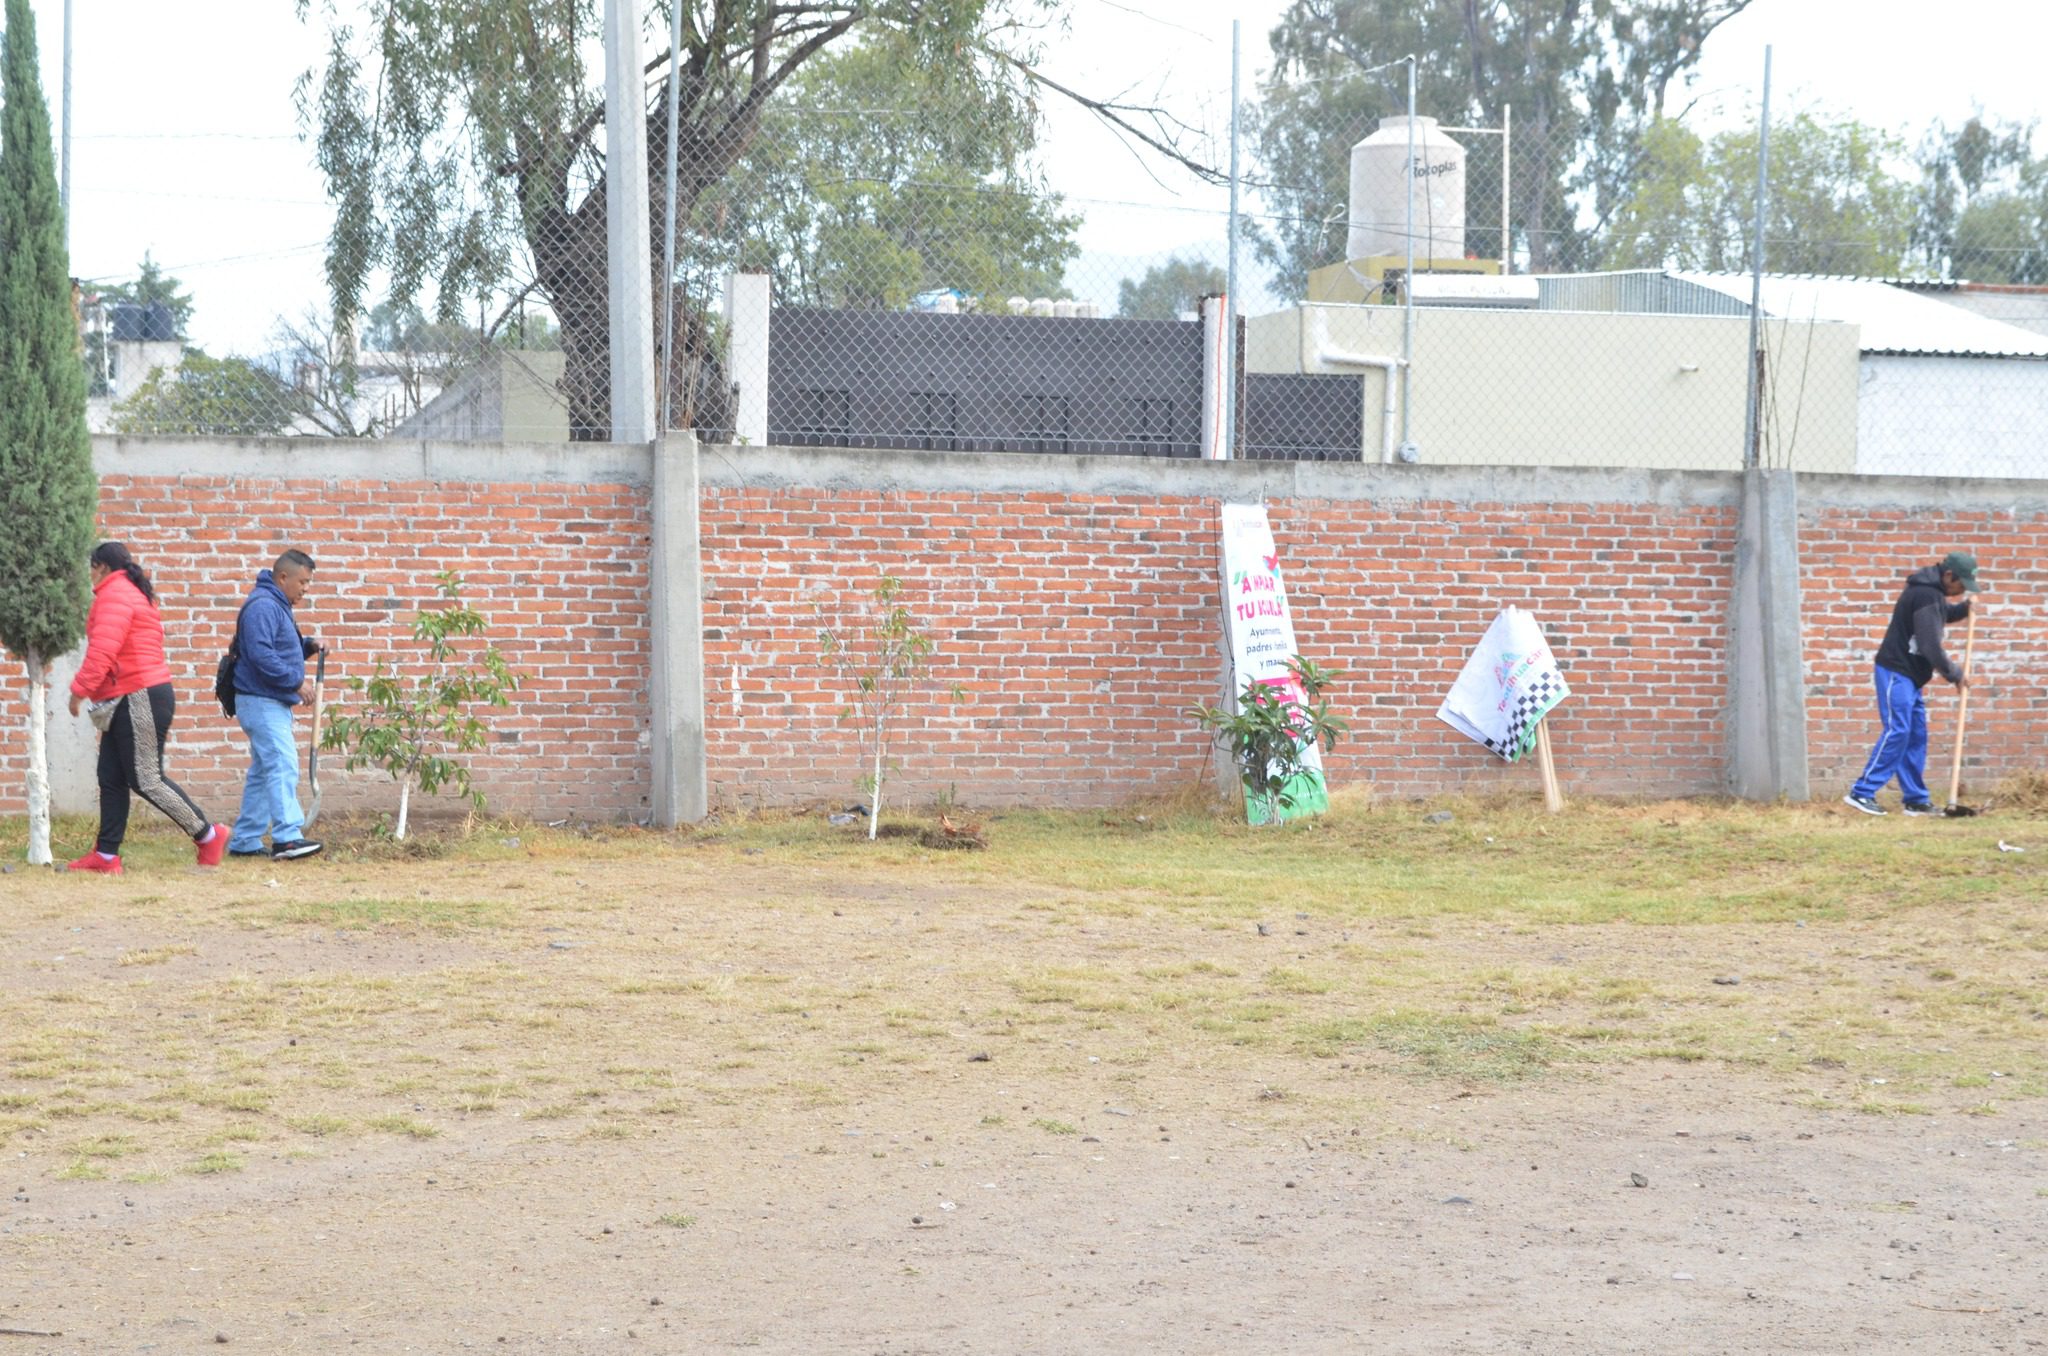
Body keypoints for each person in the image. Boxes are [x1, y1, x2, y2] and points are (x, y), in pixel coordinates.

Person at [65, 543, 228, 874]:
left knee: (146, 779)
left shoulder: (116, 595)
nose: (90, 574)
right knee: (110, 776)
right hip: (134, 695)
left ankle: (208, 834)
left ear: (102, 567)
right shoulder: (131, 592)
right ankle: (106, 856)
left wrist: (79, 691)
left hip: (139, 695)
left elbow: (103, 651)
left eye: (91, 567)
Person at [1844, 551, 1979, 817]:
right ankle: (1861, 793)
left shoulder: (1933, 594)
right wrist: (1955, 674)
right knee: (1898, 730)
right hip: (1896, 671)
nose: (1960, 590)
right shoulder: (1925, 594)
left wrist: (1963, 609)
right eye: (1960, 585)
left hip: (1911, 676)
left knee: (1915, 734)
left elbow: (1941, 615)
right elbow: (1930, 646)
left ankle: (1916, 800)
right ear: (1948, 575)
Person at [227, 549, 325, 861]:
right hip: (261, 701)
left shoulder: (274, 605)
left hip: (265, 701)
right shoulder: (263, 606)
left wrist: (308, 646)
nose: (305, 588)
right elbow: (261, 655)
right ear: (283, 577)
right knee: (282, 764)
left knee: (263, 771)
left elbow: (279, 648)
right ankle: (287, 838)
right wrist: (295, 683)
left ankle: (245, 840)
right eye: (303, 582)